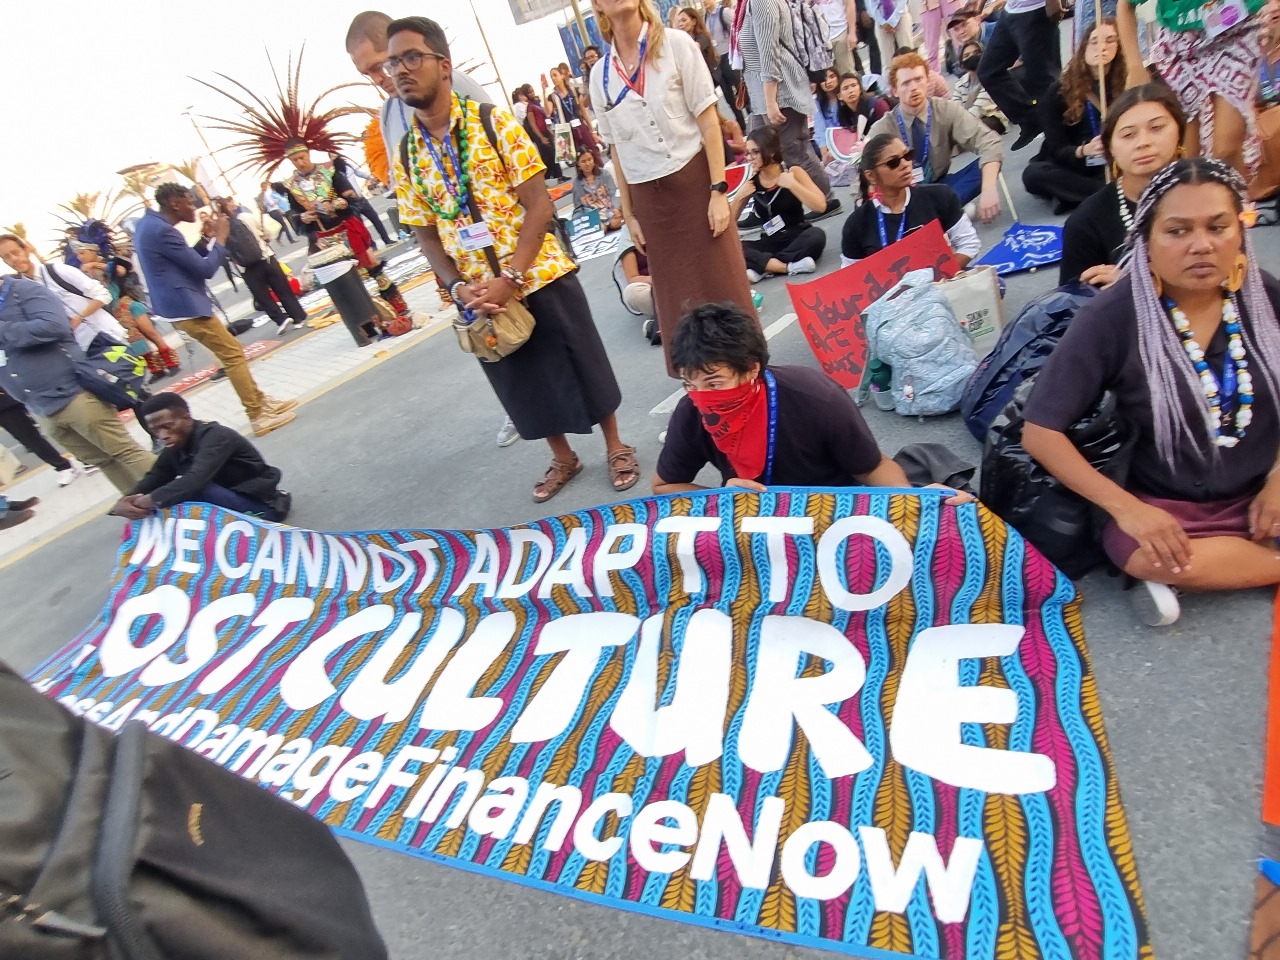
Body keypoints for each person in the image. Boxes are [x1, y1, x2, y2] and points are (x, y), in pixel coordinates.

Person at [388, 15, 638, 501]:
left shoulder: (490, 120)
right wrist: (459, 288)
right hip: (480, 295)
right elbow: (425, 235)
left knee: (581, 360)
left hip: (535, 272)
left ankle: (615, 445)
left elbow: (539, 203)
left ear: (443, 66)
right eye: (393, 62)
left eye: (411, 57)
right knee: (520, 377)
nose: (400, 70)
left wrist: (512, 276)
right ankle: (562, 457)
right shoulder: (407, 154)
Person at [1022, 158, 1280, 626]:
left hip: (1264, 488)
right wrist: (1129, 511)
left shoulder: (1264, 298)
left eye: (1218, 227)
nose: (1201, 245)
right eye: (1177, 231)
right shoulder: (1112, 317)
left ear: (1240, 232)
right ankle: (1245, 563)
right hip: (1164, 503)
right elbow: (1040, 430)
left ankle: (1235, 564)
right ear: (1146, 241)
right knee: (1146, 553)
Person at [653, 302, 976, 500]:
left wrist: (911, 502)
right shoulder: (691, 410)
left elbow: (873, 467)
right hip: (753, 519)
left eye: (714, 382)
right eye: (688, 383)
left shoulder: (815, 397)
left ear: (751, 369)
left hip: (832, 510)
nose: (701, 397)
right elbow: (665, 485)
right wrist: (721, 499)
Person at [591, 0, 759, 377]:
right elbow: (616, 151)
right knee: (678, 304)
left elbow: (708, 123)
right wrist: (630, 214)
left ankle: (750, 378)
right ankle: (702, 393)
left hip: (696, 185)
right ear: (597, 5)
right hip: (651, 204)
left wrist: (718, 191)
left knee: (725, 289)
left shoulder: (677, 45)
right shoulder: (600, 75)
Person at [133, 183, 297, 438]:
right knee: (232, 355)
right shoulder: (162, 230)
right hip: (187, 307)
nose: (195, 207)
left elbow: (188, 260)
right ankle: (257, 414)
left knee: (232, 352)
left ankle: (262, 402)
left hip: (179, 306)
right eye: (190, 202)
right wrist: (220, 237)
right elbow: (205, 269)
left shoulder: (149, 226)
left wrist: (208, 239)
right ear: (174, 203)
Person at [0, 276, 155, 492]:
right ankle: (145, 512)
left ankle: (187, 500)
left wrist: (4, 330)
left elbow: (55, 326)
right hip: (40, 408)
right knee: (103, 461)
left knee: (125, 452)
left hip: (73, 395)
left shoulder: (22, 291)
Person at [275, 140, 413, 333]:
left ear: (308, 154)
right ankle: (371, 322)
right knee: (349, 280)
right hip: (324, 238)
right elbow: (292, 213)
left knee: (372, 265)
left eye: (302, 157)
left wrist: (335, 204)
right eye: (294, 160)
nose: (300, 162)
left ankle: (398, 307)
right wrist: (302, 217)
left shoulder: (329, 171)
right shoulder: (291, 186)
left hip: (347, 228)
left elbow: (351, 196)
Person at [1058, 84, 1187, 286]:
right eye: (1128, 135)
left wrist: (1138, 283)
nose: (1143, 142)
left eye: (1157, 128)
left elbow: (1232, 276)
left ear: (1179, 132)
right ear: (1110, 147)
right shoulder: (1086, 222)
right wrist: (1125, 292)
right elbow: (1073, 306)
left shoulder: (1208, 197)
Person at [1117, 0, 1265, 177]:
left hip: (1236, 29)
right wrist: (1134, 67)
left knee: (1226, 149)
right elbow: (1125, 4)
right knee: (1187, 155)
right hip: (1180, 40)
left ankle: (1234, 202)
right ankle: (1192, 199)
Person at [110, 392, 292, 523]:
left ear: (187, 418)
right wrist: (126, 501)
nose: (162, 436)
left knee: (188, 489)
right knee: (166, 496)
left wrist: (149, 500)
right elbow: (156, 476)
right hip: (228, 502)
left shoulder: (217, 436)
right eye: (155, 431)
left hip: (262, 506)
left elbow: (196, 479)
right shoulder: (175, 445)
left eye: (167, 426)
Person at [866, 51, 1003, 218]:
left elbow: (988, 142)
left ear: (928, 81)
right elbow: (865, 175)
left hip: (942, 185)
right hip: (903, 194)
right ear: (895, 90)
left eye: (918, 79)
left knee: (984, 168)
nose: (914, 87)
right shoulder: (882, 127)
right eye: (906, 83)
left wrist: (988, 189)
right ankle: (946, 212)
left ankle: (936, 214)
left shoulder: (946, 109)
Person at [733, 0, 838, 205]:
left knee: (794, 150)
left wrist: (771, 101)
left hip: (780, 93)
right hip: (761, 96)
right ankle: (764, 205)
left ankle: (824, 197)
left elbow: (769, 52)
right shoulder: (745, 5)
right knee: (758, 151)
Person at [1021, 19, 1127, 213]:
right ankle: (1108, 194)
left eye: (1110, 40)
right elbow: (1057, 148)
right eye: (1094, 41)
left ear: (1120, 46)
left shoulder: (1127, 83)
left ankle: (1084, 196)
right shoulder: (1059, 91)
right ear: (1084, 47)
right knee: (1033, 175)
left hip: (1115, 162)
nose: (1101, 47)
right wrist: (1084, 150)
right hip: (1076, 163)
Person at [841, 133, 981, 264]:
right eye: (893, 162)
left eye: (908, 155)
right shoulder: (856, 224)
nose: (905, 164)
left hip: (943, 283)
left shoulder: (940, 196)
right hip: (891, 289)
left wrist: (942, 274)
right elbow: (850, 276)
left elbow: (969, 244)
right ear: (871, 176)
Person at [0, 236, 130, 354]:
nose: (14, 259)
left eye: (16, 252)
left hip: (106, 336)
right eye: (6, 257)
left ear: (26, 250)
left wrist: (79, 317)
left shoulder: (57, 270)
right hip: (81, 351)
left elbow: (103, 294)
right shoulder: (21, 290)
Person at [734, 126, 828, 281]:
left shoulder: (793, 172)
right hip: (770, 240)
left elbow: (820, 206)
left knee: (817, 235)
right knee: (736, 249)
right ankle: (788, 267)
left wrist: (793, 185)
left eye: (755, 152)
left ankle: (765, 266)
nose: (749, 158)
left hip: (797, 235)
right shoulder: (751, 184)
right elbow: (728, 225)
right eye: (747, 153)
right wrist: (738, 198)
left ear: (770, 151)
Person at [976, 0, 1063, 151]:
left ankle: (1059, 143)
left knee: (1043, 81)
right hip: (1010, 12)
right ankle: (1031, 119)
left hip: (1035, 10)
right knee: (988, 71)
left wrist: (1054, 3)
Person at [218, 198, 309, 336]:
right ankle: (298, 316)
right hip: (266, 257)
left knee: (263, 297)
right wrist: (264, 238)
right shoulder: (246, 217)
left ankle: (281, 319)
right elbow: (268, 233)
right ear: (229, 207)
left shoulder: (219, 230)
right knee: (283, 289)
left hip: (246, 267)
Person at [0, 387, 87, 485]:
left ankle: (85, 458)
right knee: (29, 441)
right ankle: (63, 466)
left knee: (42, 433)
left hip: (6, 403)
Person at [702, 0, 750, 126]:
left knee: (741, 90)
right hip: (717, 61)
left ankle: (754, 117)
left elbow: (739, 28)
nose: (703, 2)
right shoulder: (705, 18)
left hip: (730, 56)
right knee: (728, 96)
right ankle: (742, 125)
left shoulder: (724, 13)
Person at [549, 65, 604, 169]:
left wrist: (592, 131)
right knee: (578, 160)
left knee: (593, 151)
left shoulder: (573, 91)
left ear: (562, 76)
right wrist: (543, 90)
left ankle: (602, 174)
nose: (553, 78)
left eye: (555, 75)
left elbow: (583, 110)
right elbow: (548, 112)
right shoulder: (553, 96)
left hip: (581, 127)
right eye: (551, 76)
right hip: (567, 132)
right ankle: (585, 182)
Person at [612, 222, 659, 343]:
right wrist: (659, 280)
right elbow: (632, 278)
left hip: (683, 279)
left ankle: (662, 323)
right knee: (632, 293)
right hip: (654, 287)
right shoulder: (629, 232)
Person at [520, 83, 564, 183]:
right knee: (548, 157)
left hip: (545, 131)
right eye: (529, 92)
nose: (532, 93)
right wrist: (541, 137)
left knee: (554, 154)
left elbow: (544, 118)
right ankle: (547, 179)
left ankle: (559, 176)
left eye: (532, 90)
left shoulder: (536, 103)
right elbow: (533, 124)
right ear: (526, 94)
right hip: (540, 134)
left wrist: (549, 132)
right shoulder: (530, 107)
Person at [571, 151, 624, 230]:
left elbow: (614, 194)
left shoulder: (604, 173)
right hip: (594, 216)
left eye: (590, 159)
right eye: (583, 161)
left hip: (611, 211)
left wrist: (616, 208)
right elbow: (578, 207)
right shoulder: (576, 183)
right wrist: (577, 221)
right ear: (578, 165)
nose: (588, 164)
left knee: (615, 224)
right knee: (601, 228)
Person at [868, 0, 917, 81]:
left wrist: (892, 20)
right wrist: (882, 22)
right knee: (887, 61)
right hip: (880, 17)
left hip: (900, 14)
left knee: (908, 54)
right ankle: (890, 89)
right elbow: (871, 5)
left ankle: (914, 80)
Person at [814, 0, 862, 77]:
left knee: (847, 72)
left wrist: (852, 32)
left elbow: (850, 4)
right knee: (827, 76)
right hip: (820, 36)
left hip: (841, 31)